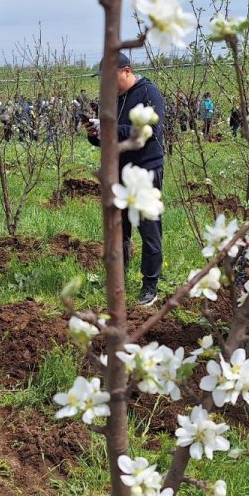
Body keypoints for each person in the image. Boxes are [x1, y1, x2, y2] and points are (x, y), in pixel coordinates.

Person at [86, 52, 166, 306]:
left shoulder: (148, 94)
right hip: (119, 172)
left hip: (145, 172)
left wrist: (108, 128)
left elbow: (151, 132)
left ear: (127, 71)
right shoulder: (112, 100)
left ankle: (150, 285)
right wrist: (94, 134)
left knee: (149, 228)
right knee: (119, 228)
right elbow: (112, 139)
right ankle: (119, 277)